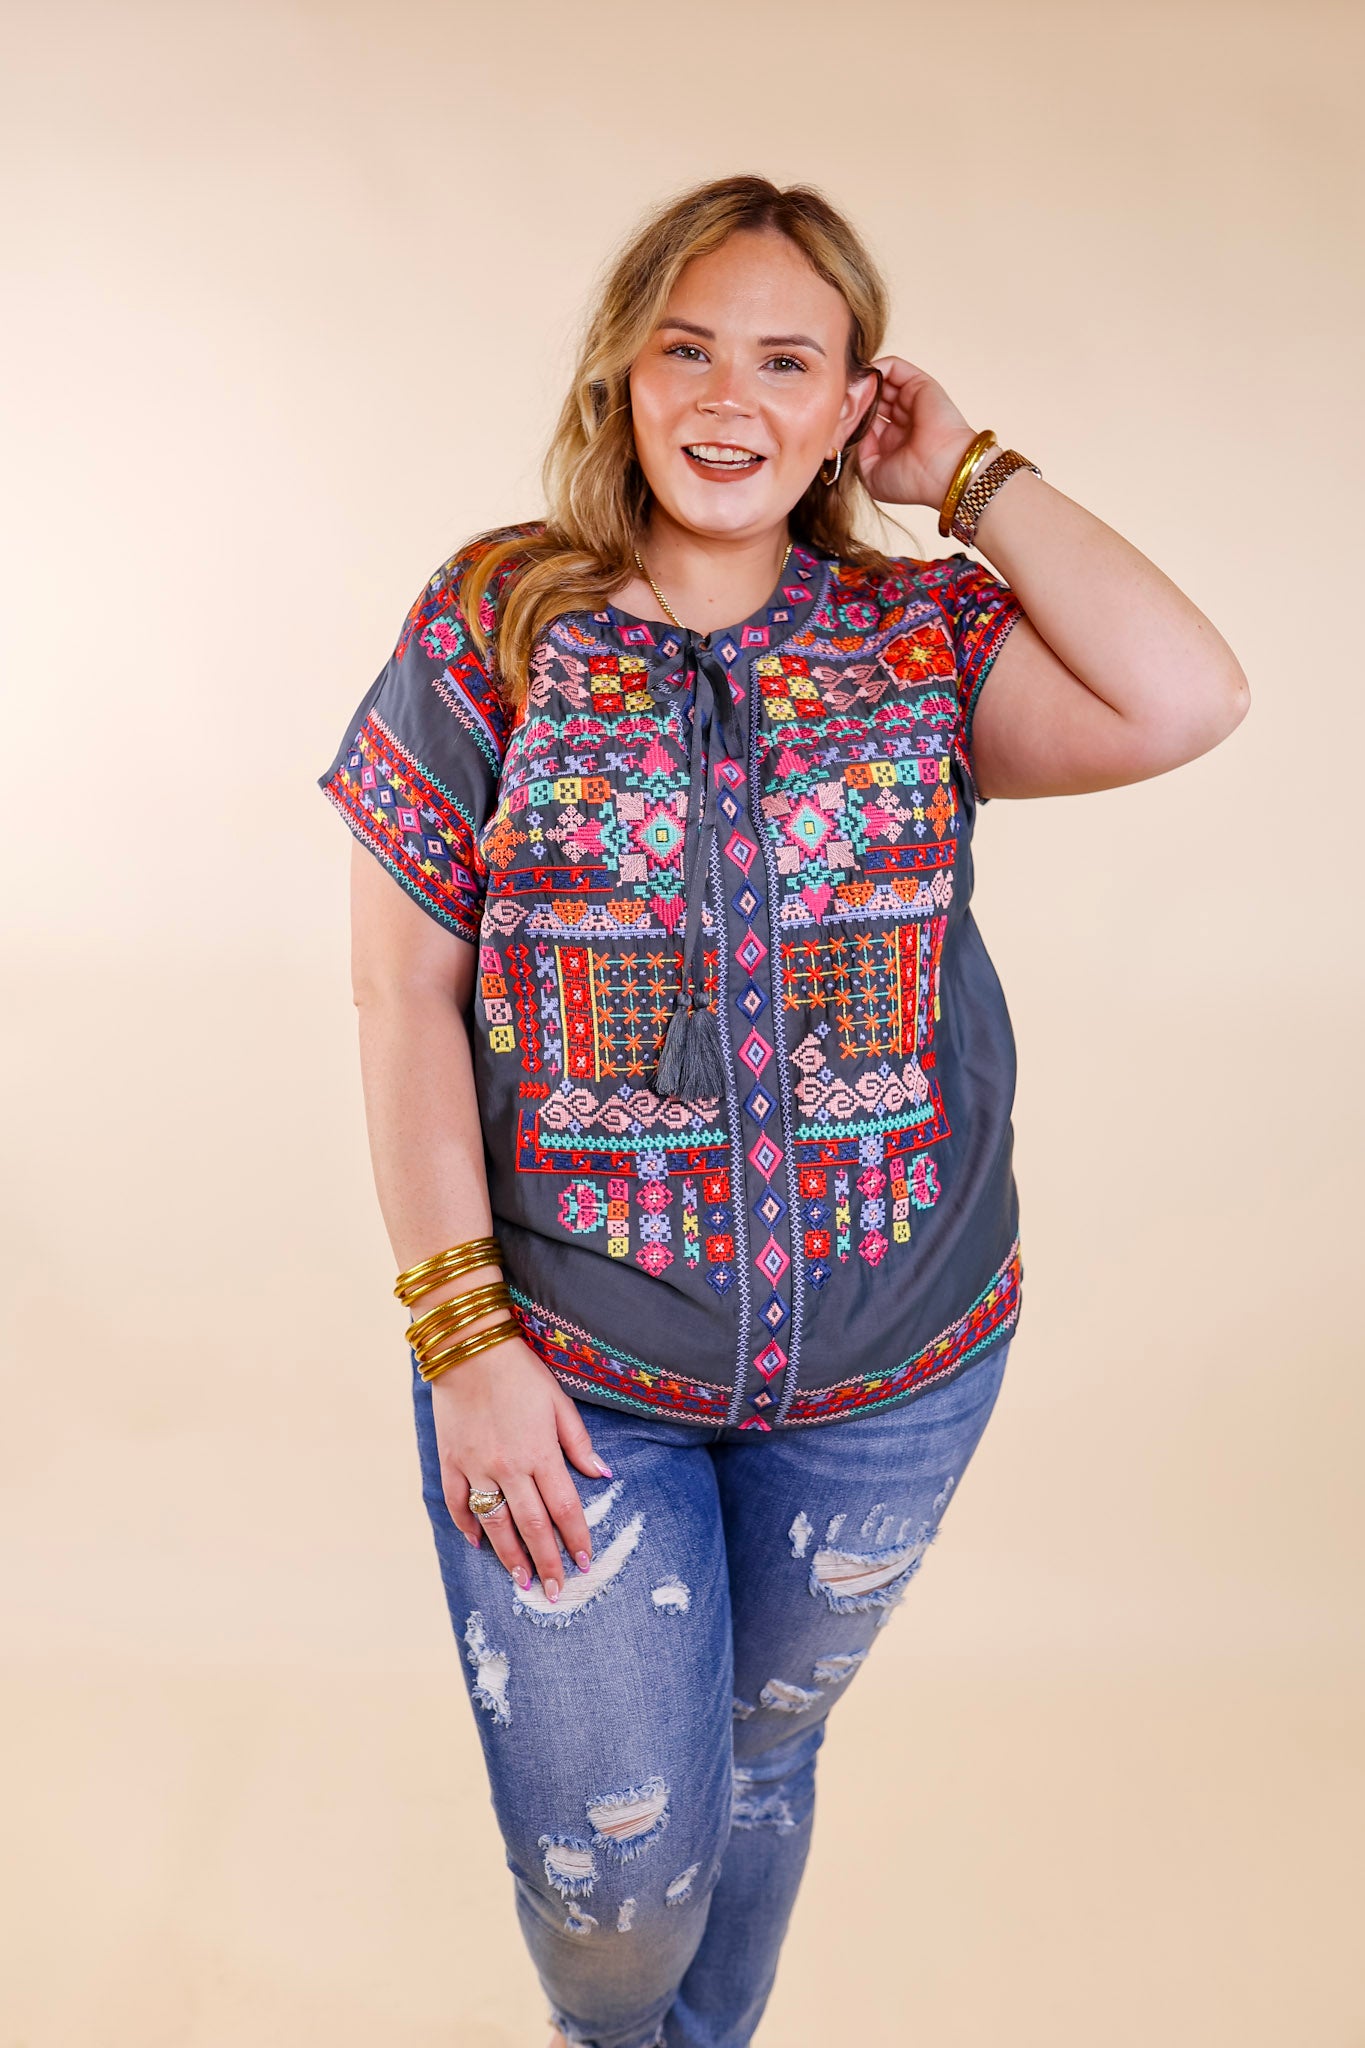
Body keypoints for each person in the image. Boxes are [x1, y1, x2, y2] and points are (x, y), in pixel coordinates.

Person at [316, 174, 1248, 2048]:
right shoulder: (496, 620)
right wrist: (464, 1340)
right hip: (569, 1382)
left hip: (895, 1377)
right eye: (686, 348)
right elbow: (403, 988)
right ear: (623, 376)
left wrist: (967, 473)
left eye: (785, 360)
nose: (727, 397)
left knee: (754, 1766)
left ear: (848, 406)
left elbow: (1185, 696)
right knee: (611, 1893)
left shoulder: (919, 641)